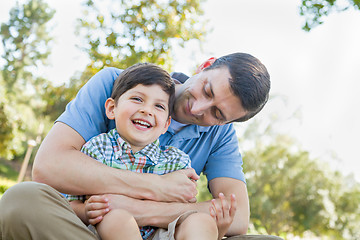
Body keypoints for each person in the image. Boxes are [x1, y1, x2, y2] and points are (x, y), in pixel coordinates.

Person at [0, 53, 281, 240]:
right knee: (22, 201)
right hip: (89, 231)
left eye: (217, 114)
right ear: (205, 65)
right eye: (207, 90)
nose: (198, 108)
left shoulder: (220, 136)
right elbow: (50, 167)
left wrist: (140, 210)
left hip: (164, 234)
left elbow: (237, 218)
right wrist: (156, 187)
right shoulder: (117, 84)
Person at [66, 63, 236, 240]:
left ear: (166, 124)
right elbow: (70, 204)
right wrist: (86, 211)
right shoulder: (97, 148)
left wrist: (217, 229)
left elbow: (182, 212)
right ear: (111, 108)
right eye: (137, 99)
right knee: (117, 218)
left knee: (200, 221)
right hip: (107, 231)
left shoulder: (177, 162)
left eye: (159, 107)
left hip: (160, 232)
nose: (146, 110)